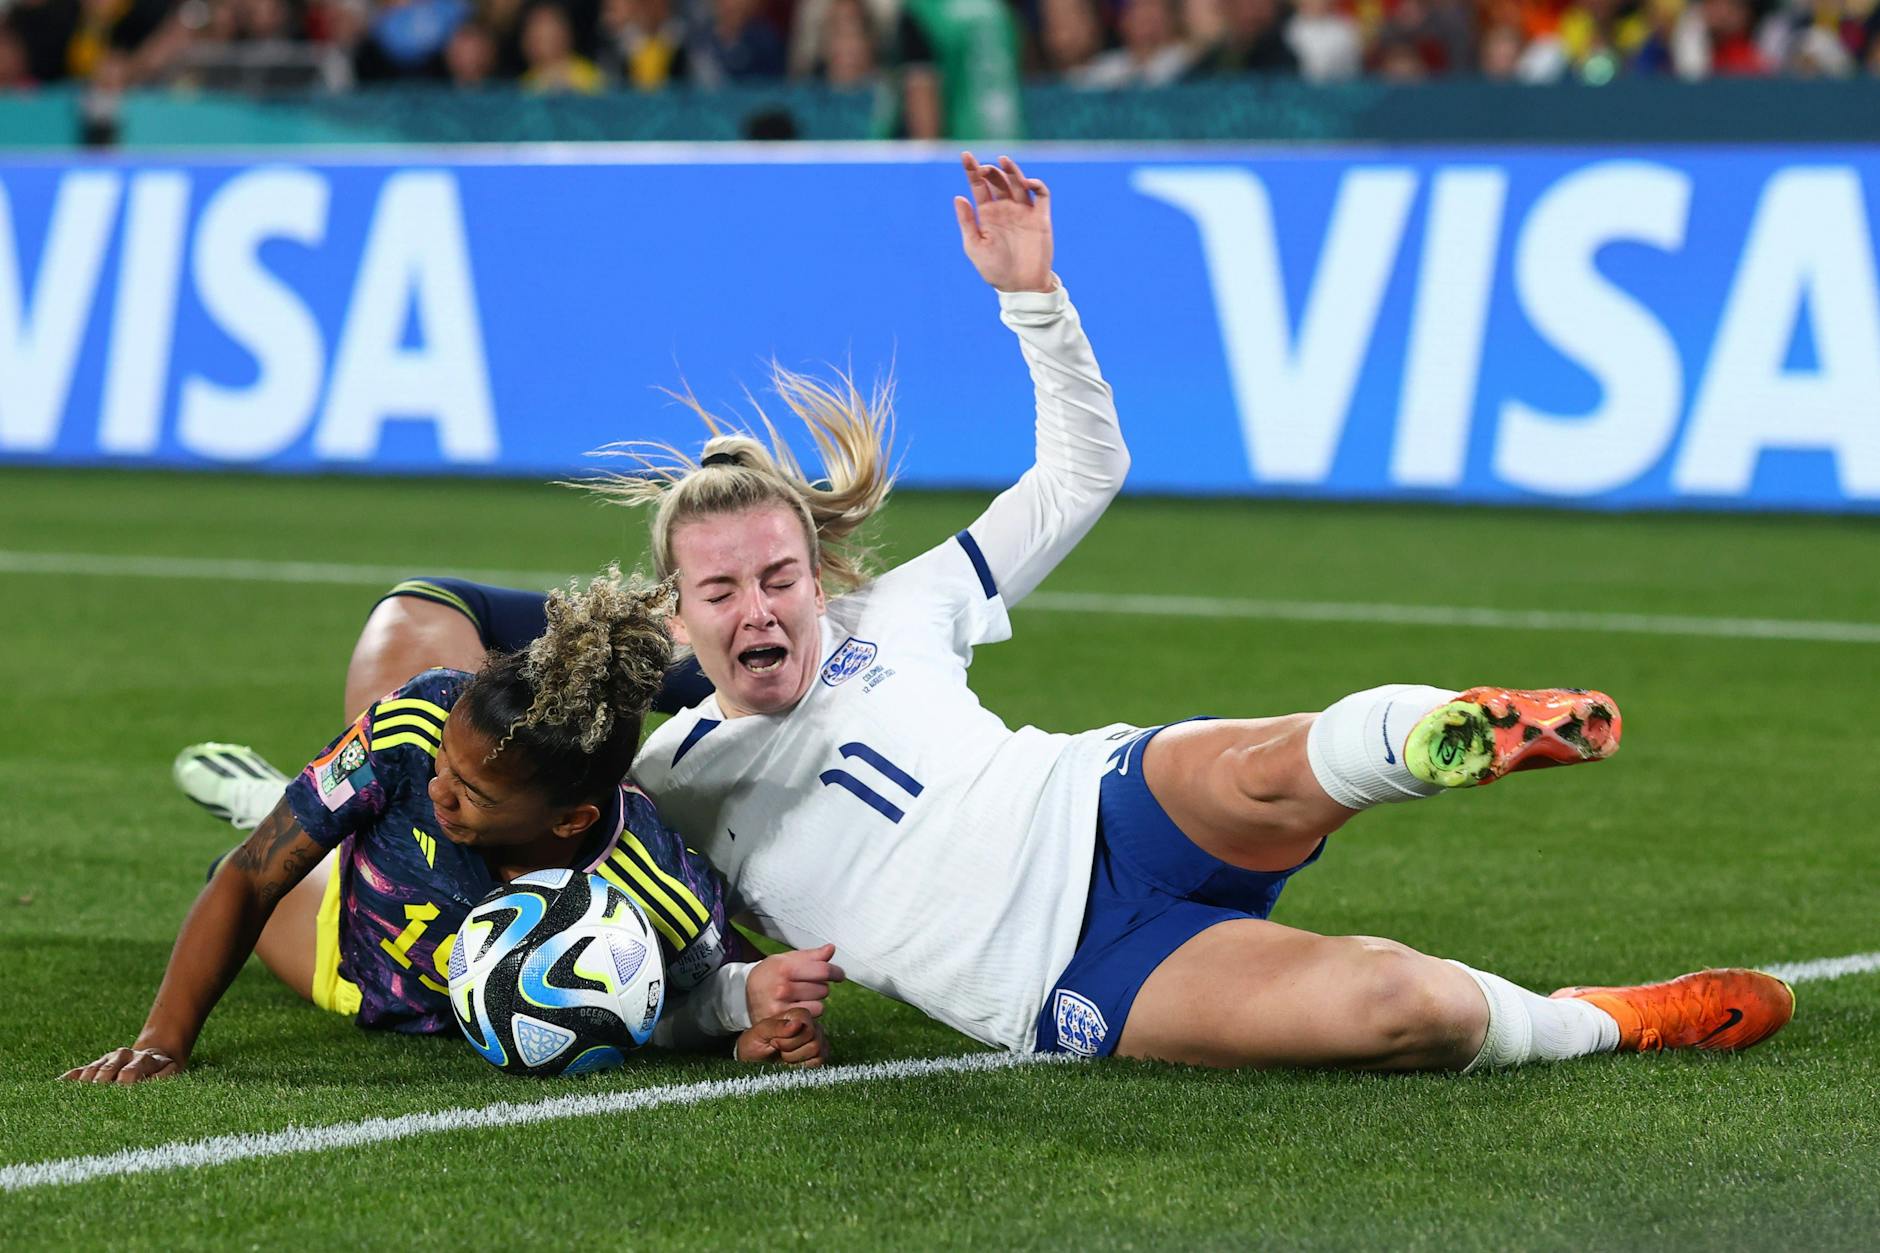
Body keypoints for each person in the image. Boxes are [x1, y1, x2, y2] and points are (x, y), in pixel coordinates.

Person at [175, 154, 1794, 1074]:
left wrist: (1033, 294)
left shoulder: (908, 610)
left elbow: (1084, 470)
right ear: (682, 607)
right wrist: (738, 1007)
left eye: (780, 574)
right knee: (1406, 1006)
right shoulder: (660, 774)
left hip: (1089, 800)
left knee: (1253, 771)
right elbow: (622, 951)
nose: (761, 605)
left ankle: (1437, 733)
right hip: (1053, 978)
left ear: (818, 570)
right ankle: (1612, 1018)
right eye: (722, 587)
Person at [66, 569, 841, 1085]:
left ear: (570, 819)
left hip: (442, 993)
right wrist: (164, 1038)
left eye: (470, 792)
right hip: (350, 947)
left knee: (333, 815)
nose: (438, 789)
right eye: (444, 764)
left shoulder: (657, 881)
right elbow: (250, 875)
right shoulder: (414, 726)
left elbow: (713, 998)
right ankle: (300, 801)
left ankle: (317, 805)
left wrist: (755, 1029)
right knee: (241, 864)